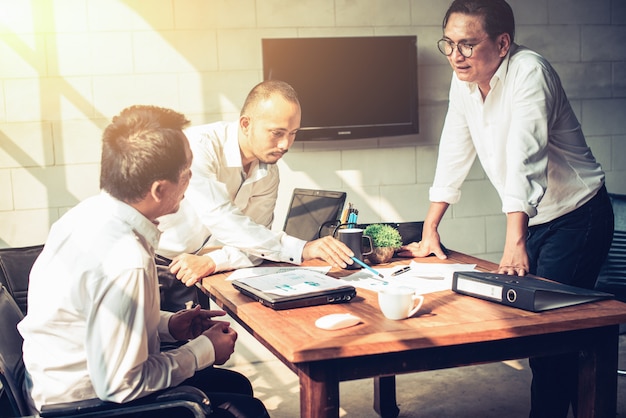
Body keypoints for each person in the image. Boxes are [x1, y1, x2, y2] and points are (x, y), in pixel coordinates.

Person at [397, 1, 614, 417]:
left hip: (577, 215)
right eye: (449, 43)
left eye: (467, 44)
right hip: (534, 217)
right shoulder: (463, 82)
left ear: (502, 44)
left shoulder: (530, 72)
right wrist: (430, 230)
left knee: (550, 337)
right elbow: (453, 152)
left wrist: (515, 240)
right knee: (541, 337)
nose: (455, 55)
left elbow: (524, 157)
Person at [18, 105, 269, 418]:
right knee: (248, 410)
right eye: (187, 172)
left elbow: (99, 319)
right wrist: (204, 350)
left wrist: (168, 326)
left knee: (236, 387)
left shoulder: (85, 215)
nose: (192, 179)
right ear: (159, 190)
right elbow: (120, 384)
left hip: (54, 382)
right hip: (83, 405)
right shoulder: (126, 258)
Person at [156, 80, 354, 309]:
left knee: (198, 340)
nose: (285, 144)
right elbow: (221, 218)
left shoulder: (269, 173)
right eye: (277, 133)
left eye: (293, 133)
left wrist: (212, 261)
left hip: (196, 268)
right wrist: (301, 248)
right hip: (158, 263)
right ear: (246, 124)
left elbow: (257, 244)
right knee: (158, 343)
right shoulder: (198, 147)